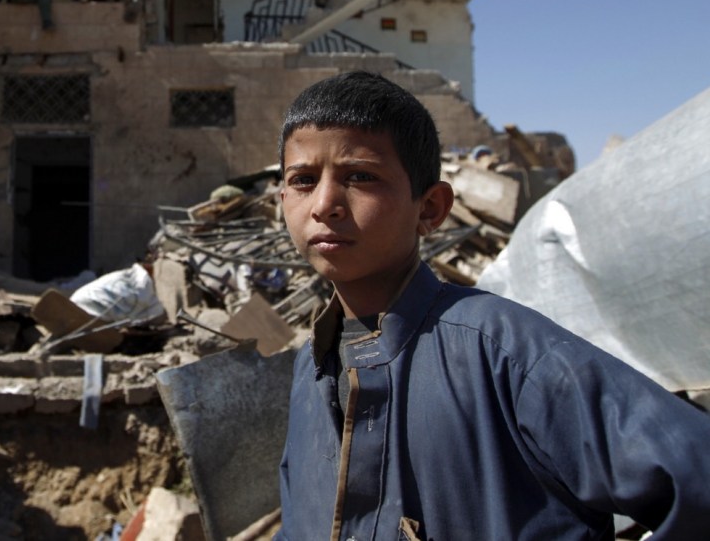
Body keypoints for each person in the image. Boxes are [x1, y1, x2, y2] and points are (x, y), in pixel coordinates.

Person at [275, 71, 710, 540]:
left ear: (431, 208)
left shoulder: (506, 352)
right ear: (282, 199)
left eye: (360, 176)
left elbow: (696, 477)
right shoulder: (311, 367)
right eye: (302, 180)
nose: (324, 204)